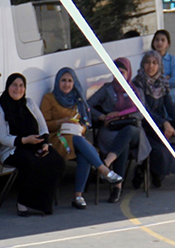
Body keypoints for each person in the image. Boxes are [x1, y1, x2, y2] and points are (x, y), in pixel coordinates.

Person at [40, 67, 123, 209]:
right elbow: (44, 125)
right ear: (58, 82)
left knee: (83, 153)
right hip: (57, 137)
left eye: (70, 81)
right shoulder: (49, 98)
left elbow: (85, 123)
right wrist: (62, 122)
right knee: (80, 142)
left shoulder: (77, 99)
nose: (67, 84)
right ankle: (103, 170)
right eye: (63, 80)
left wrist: (80, 127)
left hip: (76, 137)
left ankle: (78, 196)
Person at [0, 72, 66, 216]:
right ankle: (23, 203)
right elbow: (3, 138)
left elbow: (42, 126)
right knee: (31, 163)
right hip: (14, 149)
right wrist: (25, 140)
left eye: (21, 86)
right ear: (8, 87)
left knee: (57, 161)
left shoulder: (29, 103)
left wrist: (45, 143)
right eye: (14, 85)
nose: (18, 89)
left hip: (35, 144)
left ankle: (43, 203)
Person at [88, 57, 150, 202]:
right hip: (112, 131)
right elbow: (87, 105)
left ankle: (106, 163)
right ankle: (117, 187)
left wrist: (122, 116)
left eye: (122, 72)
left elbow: (141, 113)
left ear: (128, 73)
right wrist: (103, 116)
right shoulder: (107, 89)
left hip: (134, 130)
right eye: (116, 72)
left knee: (128, 131)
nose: (119, 75)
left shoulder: (136, 90)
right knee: (123, 144)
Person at [132, 50, 175, 187]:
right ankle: (147, 170)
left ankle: (159, 171)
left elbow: (170, 105)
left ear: (159, 66)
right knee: (160, 148)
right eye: (147, 62)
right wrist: (164, 123)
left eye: (154, 63)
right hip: (144, 124)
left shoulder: (162, 82)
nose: (150, 66)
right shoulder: (138, 83)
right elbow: (144, 110)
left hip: (159, 123)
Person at [151, 29, 175, 106]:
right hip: (154, 99)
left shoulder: (173, 60)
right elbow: (147, 80)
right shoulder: (149, 60)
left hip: (171, 98)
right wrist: (165, 77)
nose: (159, 42)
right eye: (157, 40)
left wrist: (157, 79)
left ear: (168, 44)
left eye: (163, 40)